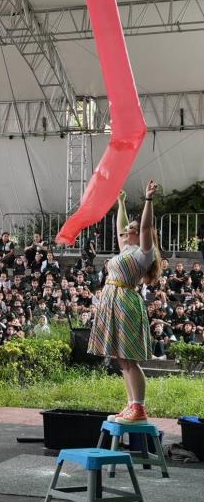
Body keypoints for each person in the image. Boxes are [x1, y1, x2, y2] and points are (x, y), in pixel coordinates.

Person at [88, 181, 162, 424]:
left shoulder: (143, 252)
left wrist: (148, 200)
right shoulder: (126, 250)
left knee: (129, 358)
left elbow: (147, 225)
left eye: (131, 228)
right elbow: (119, 226)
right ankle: (131, 404)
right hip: (113, 300)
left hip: (125, 301)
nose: (126, 231)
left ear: (138, 233)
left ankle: (139, 407)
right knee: (122, 359)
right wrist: (120, 201)